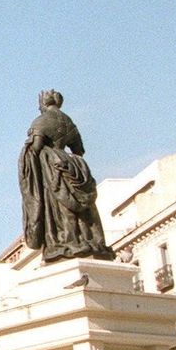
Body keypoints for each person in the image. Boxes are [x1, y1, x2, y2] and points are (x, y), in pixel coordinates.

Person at [18, 89, 113, 264]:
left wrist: (30, 153)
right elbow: (78, 150)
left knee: (60, 209)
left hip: (53, 168)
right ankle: (88, 240)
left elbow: (36, 147)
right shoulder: (69, 122)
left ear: (43, 103)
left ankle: (66, 242)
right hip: (71, 165)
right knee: (82, 211)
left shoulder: (40, 121)